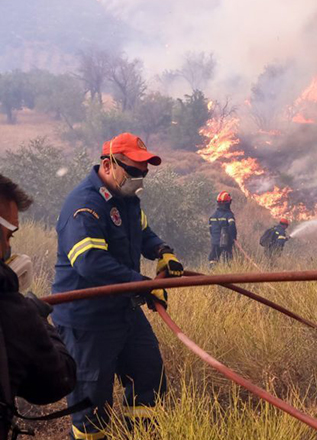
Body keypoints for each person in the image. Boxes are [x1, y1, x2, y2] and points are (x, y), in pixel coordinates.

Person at [50, 133, 184, 440]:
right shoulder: (85, 205)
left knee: (148, 375)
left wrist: (163, 251)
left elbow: (144, 233)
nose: (140, 178)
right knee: (91, 405)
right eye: (134, 171)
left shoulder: (128, 201)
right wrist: (143, 285)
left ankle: (137, 434)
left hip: (124, 311)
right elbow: (90, 262)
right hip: (87, 320)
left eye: (144, 172)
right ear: (109, 165)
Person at [0, 174, 77, 440]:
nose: (10, 248)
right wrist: (38, 321)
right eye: (8, 235)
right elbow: (58, 380)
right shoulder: (12, 314)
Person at [208, 191, 237, 263]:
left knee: (213, 260)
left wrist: (215, 238)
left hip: (215, 242)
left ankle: (211, 273)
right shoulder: (229, 215)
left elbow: (210, 230)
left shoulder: (213, 216)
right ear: (228, 203)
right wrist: (233, 238)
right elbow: (232, 227)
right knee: (227, 261)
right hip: (226, 243)